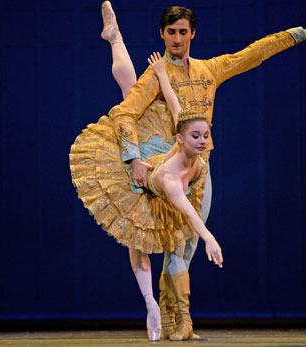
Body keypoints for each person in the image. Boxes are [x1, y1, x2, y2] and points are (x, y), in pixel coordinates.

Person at [97, 1, 306, 341]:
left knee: (185, 248)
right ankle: (179, 321)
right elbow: (124, 113)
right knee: (170, 245)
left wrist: (297, 35)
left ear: (192, 33)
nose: (177, 39)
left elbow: (252, 54)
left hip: (199, 171)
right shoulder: (156, 74)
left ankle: (173, 318)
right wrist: (133, 158)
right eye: (171, 32)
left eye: (182, 32)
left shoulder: (209, 70)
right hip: (164, 168)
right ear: (162, 34)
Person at [70, 47, 223, 341]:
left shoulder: (187, 143)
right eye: (197, 137)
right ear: (181, 140)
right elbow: (190, 214)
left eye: (206, 135)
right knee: (130, 92)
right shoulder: (171, 181)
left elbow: (178, 107)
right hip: (142, 186)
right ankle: (152, 304)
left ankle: (174, 317)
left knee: (177, 252)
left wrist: (164, 76)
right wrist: (210, 238)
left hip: (162, 158)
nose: (204, 141)